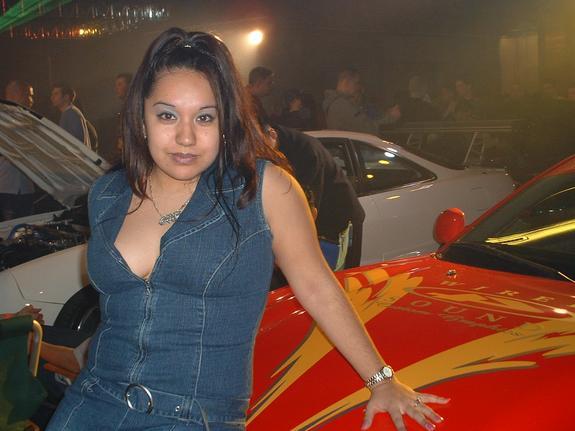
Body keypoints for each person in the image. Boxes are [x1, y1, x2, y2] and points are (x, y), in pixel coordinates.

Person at [46, 28, 448, 431]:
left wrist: (382, 380)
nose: (185, 136)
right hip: (90, 403)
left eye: (205, 117)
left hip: (194, 418)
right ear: (141, 118)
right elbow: (119, 311)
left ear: (226, 122)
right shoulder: (108, 193)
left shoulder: (263, 190)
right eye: (167, 115)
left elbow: (317, 287)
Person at [268, 124, 365, 268]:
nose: (259, 152)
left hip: (338, 226)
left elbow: (308, 208)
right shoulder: (275, 149)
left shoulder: (305, 152)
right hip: (321, 227)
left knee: (340, 277)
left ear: (272, 134)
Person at [323, 68, 400, 134]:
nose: (358, 87)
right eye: (356, 83)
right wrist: (391, 117)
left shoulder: (337, 103)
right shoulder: (341, 105)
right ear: (346, 82)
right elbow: (367, 129)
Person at [1, 80, 36, 221]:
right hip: (7, 186)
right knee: (8, 228)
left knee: (26, 227)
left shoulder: (30, 119)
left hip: (26, 186)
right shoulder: (3, 118)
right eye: (28, 95)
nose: (31, 99)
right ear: (16, 94)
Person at [50, 82, 94, 150]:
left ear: (66, 97)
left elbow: (75, 143)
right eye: (52, 94)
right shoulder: (70, 113)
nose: (52, 97)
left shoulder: (71, 114)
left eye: (56, 94)